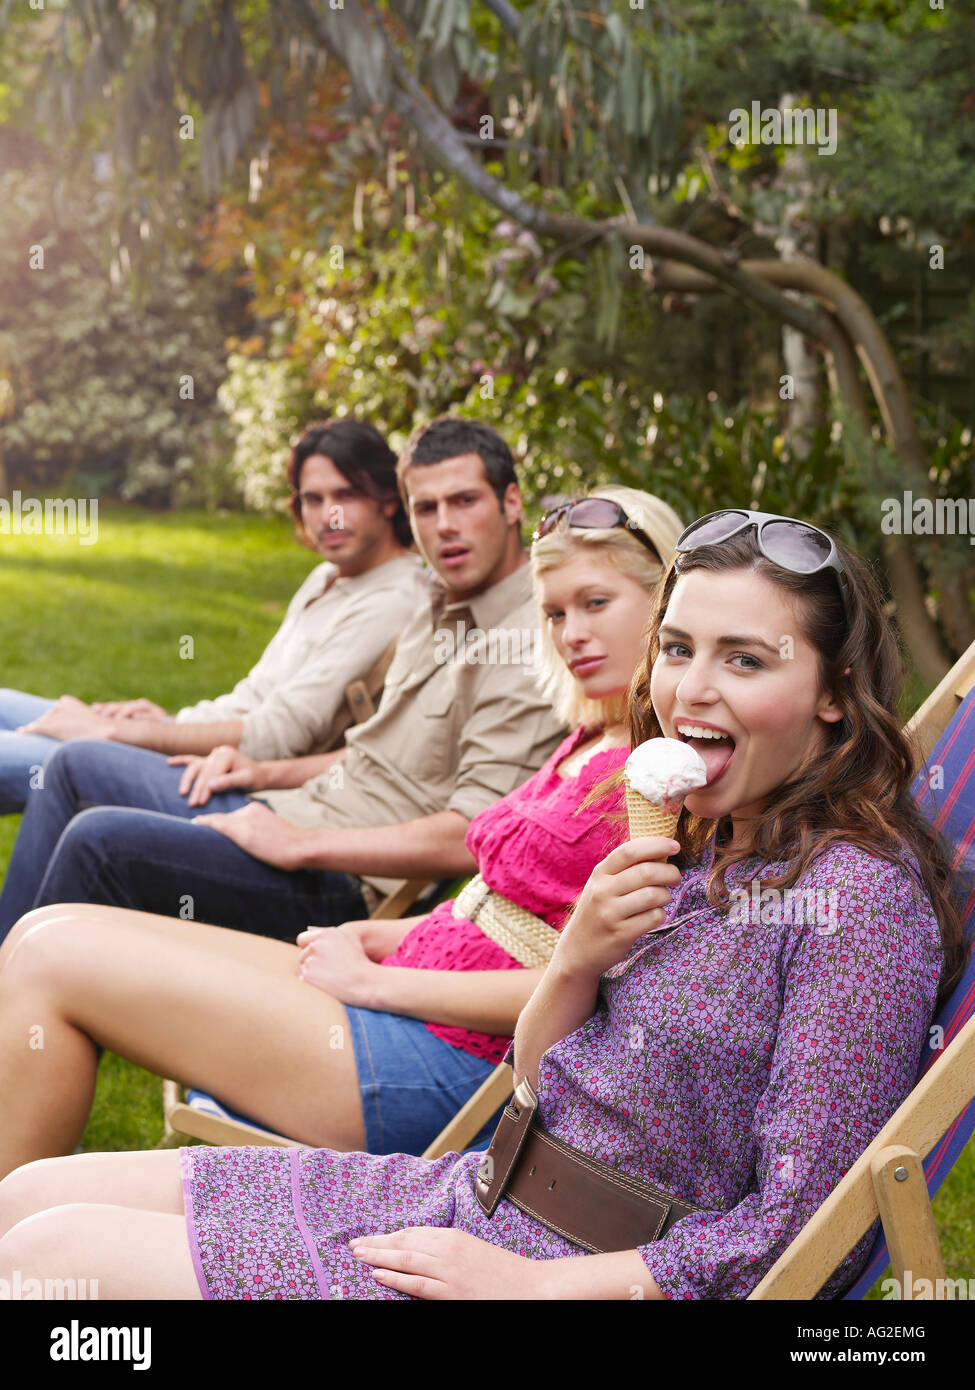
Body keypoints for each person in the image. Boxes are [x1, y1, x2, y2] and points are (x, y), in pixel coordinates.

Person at [0, 509, 965, 1301]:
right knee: (29, 1201)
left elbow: (807, 1237)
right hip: (472, 1198)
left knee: (48, 1270)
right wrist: (579, 959)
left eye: (745, 661)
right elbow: (542, 1086)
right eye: (676, 649)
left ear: (834, 692)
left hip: (549, 1277)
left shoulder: (856, 902)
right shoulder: (693, 844)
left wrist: (531, 1289)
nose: (689, 691)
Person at [0, 487, 682, 1176]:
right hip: (407, 984)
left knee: (53, 962)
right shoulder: (593, 737)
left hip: (452, 1070)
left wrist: (375, 984)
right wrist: (380, 938)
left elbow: (592, 987)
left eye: (596, 604)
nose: (570, 634)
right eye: (555, 613)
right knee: (43, 931)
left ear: (665, 605)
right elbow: (497, 913)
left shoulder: (663, 784)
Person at [0, 416, 567, 943]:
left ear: (511, 502)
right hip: (292, 809)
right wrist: (261, 773)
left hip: (342, 880)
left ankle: (19, 1009)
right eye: (427, 508)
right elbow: (372, 755)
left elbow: (476, 834)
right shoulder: (438, 602)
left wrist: (303, 845)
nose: (445, 527)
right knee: (74, 764)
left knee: (96, 841)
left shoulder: (527, 645)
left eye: (465, 501)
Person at [0, 419, 428, 813]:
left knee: (40, 755)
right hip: (207, 747)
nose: (328, 516)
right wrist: (170, 721)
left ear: (388, 501)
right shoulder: (328, 577)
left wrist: (121, 736)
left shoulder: (391, 599)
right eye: (313, 499)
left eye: (346, 495)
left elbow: (276, 737)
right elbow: (254, 695)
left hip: (236, 782)